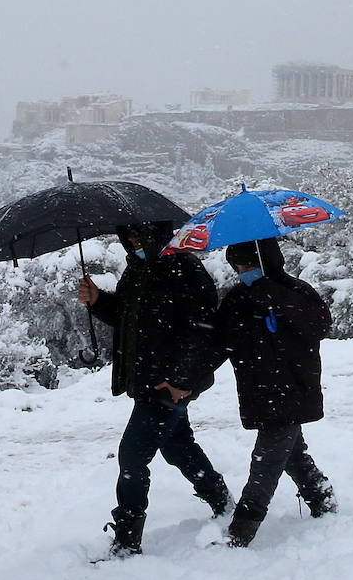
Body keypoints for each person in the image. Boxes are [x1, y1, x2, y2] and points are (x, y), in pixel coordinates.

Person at [77, 221, 231, 557]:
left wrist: (181, 382)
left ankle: (127, 540)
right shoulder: (138, 270)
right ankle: (221, 499)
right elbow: (129, 318)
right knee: (177, 446)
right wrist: (99, 301)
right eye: (128, 236)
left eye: (139, 235)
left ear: (158, 233)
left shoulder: (186, 269)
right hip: (148, 379)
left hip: (167, 384)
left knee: (132, 456)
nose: (133, 241)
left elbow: (204, 333)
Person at [216, 239, 336, 548]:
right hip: (259, 391)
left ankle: (242, 528)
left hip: (293, 388)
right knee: (290, 452)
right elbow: (218, 342)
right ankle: (321, 497)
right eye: (238, 268)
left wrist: (274, 298)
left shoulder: (296, 291)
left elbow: (319, 325)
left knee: (266, 461)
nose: (244, 273)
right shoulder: (237, 299)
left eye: (250, 266)